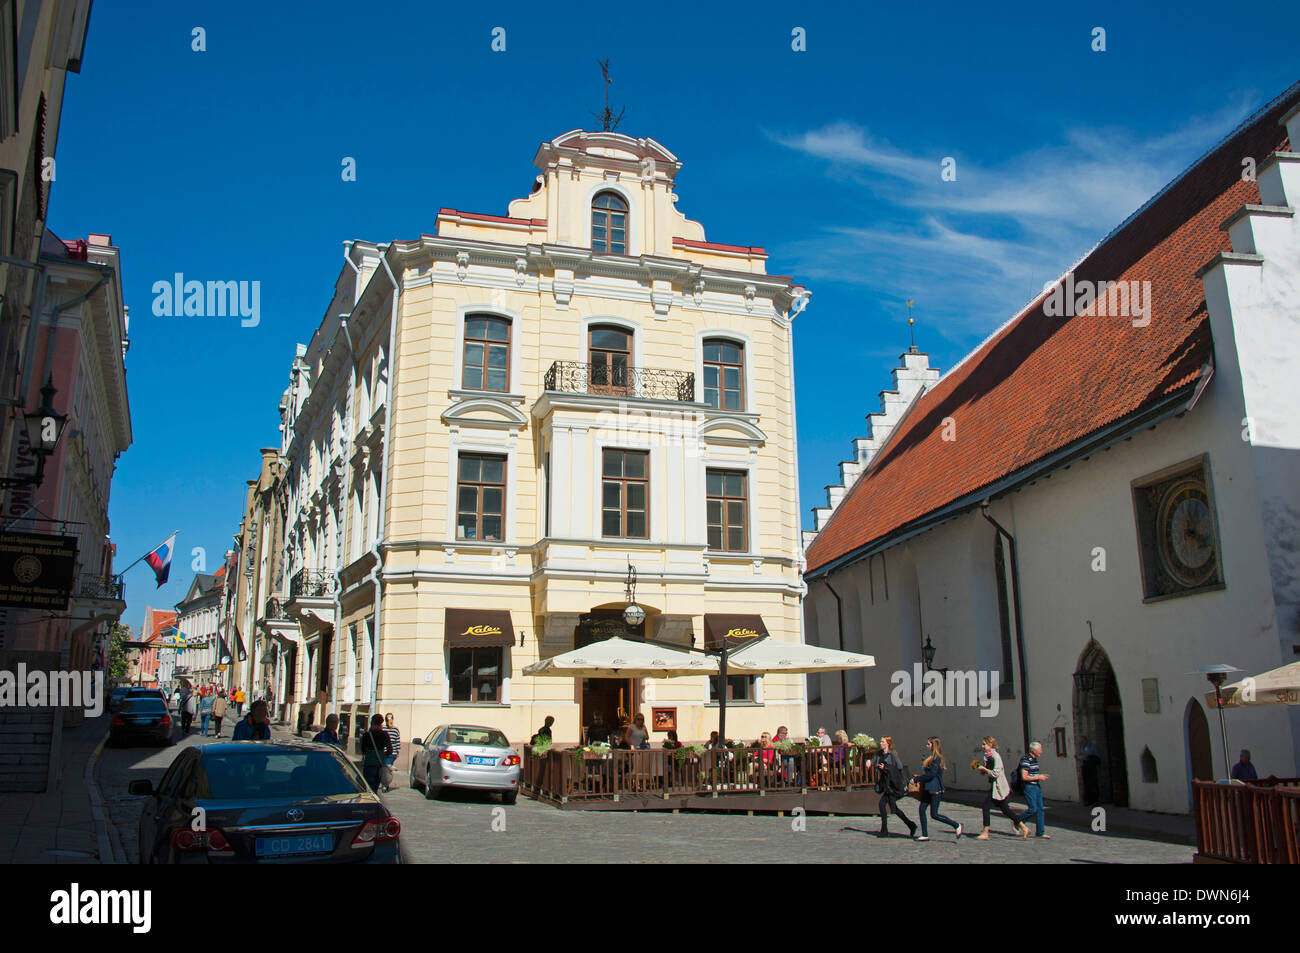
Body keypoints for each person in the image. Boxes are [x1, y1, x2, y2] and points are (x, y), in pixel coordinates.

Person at [911, 736, 962, 841]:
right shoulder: (931, 758)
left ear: (933, 745)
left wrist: (917, 779)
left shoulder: (937, 758)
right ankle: (925, 835)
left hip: (935, 789)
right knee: (921, 810)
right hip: (928, 788)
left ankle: (956, 825)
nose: (927, 746)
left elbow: (932, 774)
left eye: (928, 744)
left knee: (934, 814)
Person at [975, 736, 1020, 839]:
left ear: (990, 745)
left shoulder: (996, 756)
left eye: (984, 744)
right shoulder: (987, 756)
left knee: (986, 807)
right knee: (1005, 809)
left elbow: (995, 773)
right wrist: (982, 769)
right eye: (982, 744)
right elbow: (987, 770)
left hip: (999, 787)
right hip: (994, 786)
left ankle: (985, 832)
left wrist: (985, 770)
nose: (982, 746)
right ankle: (1023, 827)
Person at [874, 735, 917, 838]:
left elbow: (899, 767)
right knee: (884, 805)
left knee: (892, 808)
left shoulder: (892, 755)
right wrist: (868, 763)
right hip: (887, 785)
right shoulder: (879, 754)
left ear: (887, 743)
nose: (881, 743)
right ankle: (886, 829)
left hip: (893, 786)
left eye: (883, 742)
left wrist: (886, 767)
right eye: (880, 741)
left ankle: (910, 825)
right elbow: (874, 762)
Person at [1016, 741, 1050, 838]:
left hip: (1036, 787)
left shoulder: (1034, 759)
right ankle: (1017, 820)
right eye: (1040, 750)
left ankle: (1040, 832)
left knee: (1040, 809)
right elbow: (1024, 777)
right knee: (1033, 809)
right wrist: (1039, 777)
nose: (1041, 752)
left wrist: (1040, 777)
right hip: (1029, 787)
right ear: (1034, 750)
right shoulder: (1026, 759)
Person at [360, 714, 393, 791]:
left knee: (368, 787)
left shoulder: (366, 735)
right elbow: (390, 750)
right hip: (380, 764)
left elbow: (363, 750)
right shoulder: (385, 735)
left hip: (369, 764)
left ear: (372, 722)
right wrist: (383, 755)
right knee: (376, 786)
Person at [1080, 736, 1102, 805]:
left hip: (1091, 767)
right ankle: (1089, 800)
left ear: (1085, 741)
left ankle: (1096, 800)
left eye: (1082, 741)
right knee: (1086, 784)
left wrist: (1089, 759)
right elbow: (1082, 756)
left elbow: (1097, 757)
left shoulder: (1092, 747)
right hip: (1085, 767)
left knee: (1093, 784)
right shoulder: (1082, 748)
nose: (1081, 743)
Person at [382, 713, 401, 789]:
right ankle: (386, 784)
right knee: (387, 768)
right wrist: (397, 751)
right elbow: (397, 741)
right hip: (393, 752)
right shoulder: (395, 730)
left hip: (384, 751)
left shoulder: (383, 729)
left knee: (385, 768)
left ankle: (385, 785)